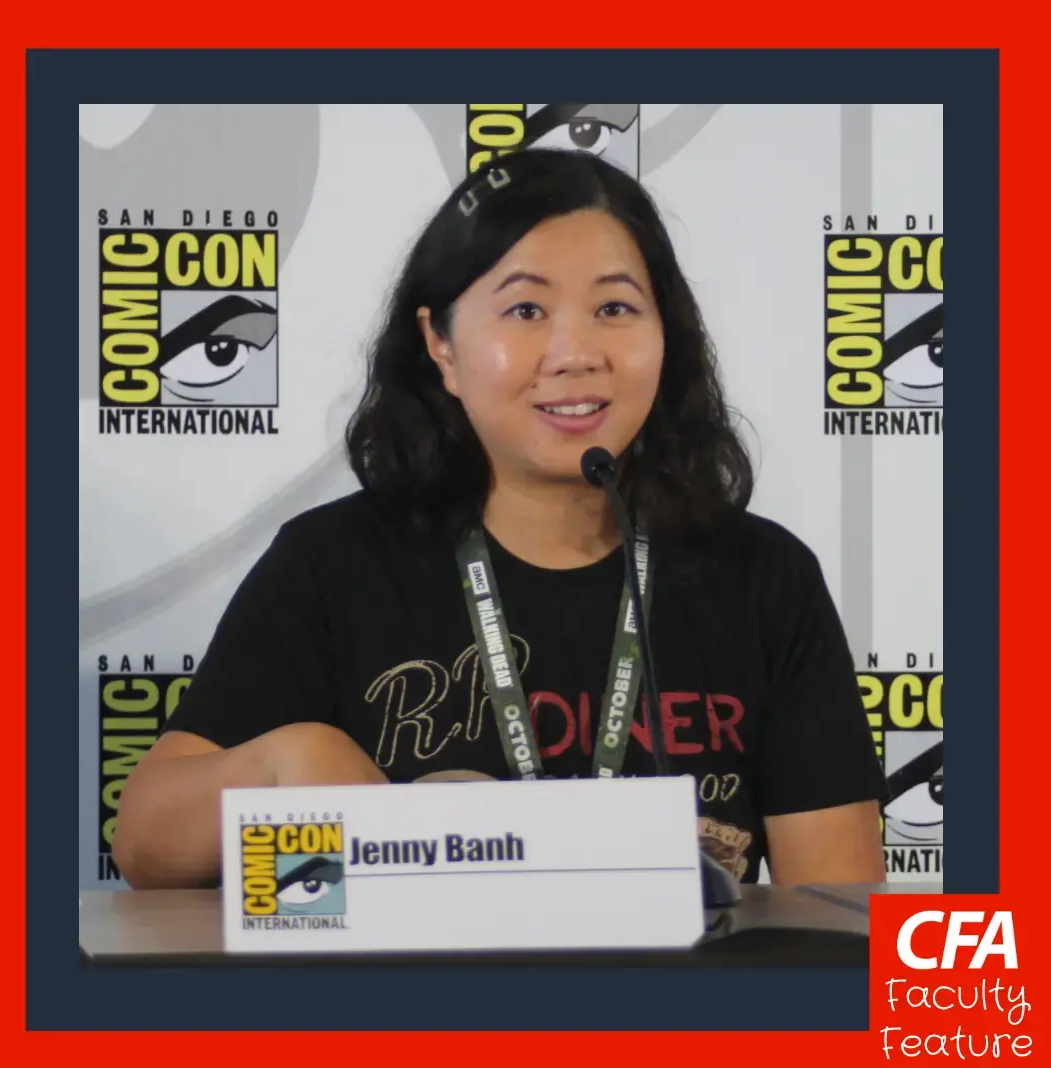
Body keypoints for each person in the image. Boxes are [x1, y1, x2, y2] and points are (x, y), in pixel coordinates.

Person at [114, 148, 889, 891]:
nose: (575, 353)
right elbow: (145, 844)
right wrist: (287, 763)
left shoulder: (762, 578)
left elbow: (837, 911)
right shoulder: (333, 564)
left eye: (616, 307)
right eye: (525, 308)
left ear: (666, 336)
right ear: (441, 346)